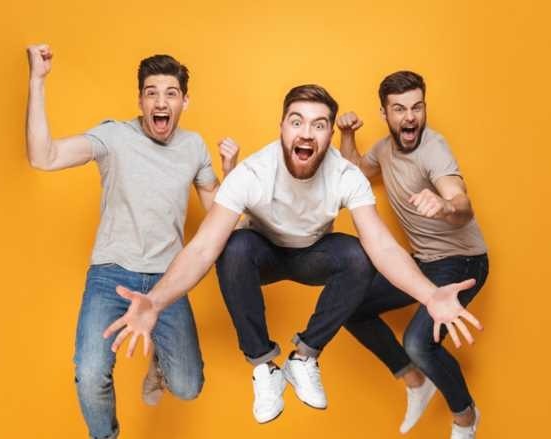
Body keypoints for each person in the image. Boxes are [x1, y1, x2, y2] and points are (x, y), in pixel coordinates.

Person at [103, 84, 481, 426]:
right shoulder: (253, 173)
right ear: (282, 127)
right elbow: (203, 247)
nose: (306, 133)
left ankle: (304, 358)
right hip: (261, 256)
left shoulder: (344, 175)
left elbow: (382, 245)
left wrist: (430, 295)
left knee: (360, 254)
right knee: (232, 246)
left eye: (319, 125)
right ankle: (264, 367)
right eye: (296, 122)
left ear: (329, 135)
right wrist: (155, 301)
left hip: (314, 256)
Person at [25, 44, 238, 439]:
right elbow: (45, 156)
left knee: (188, 386)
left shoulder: (193, 146)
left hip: (166, 280)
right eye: (151, 93)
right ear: (140, 100)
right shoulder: (114, 136)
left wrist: (231, 174)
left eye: (171, 93)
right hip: (111, 275)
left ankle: (159, 363)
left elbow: (218, 218)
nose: (161, 102)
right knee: (91, 374)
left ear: (185, 101)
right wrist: (38, 80)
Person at [337, 71, 488, 439]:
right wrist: (347, 135)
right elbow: (354, 171)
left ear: (424, 108)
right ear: (385, 114)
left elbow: (462, 203)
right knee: (350, 307)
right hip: (423, 262)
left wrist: (446, 206)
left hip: (462, 261)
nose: (410, 117)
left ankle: (466, 417)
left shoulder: (434, 149)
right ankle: (416, 383)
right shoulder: (384, 149)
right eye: (400, 109)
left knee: (419, 343)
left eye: (417, 108)